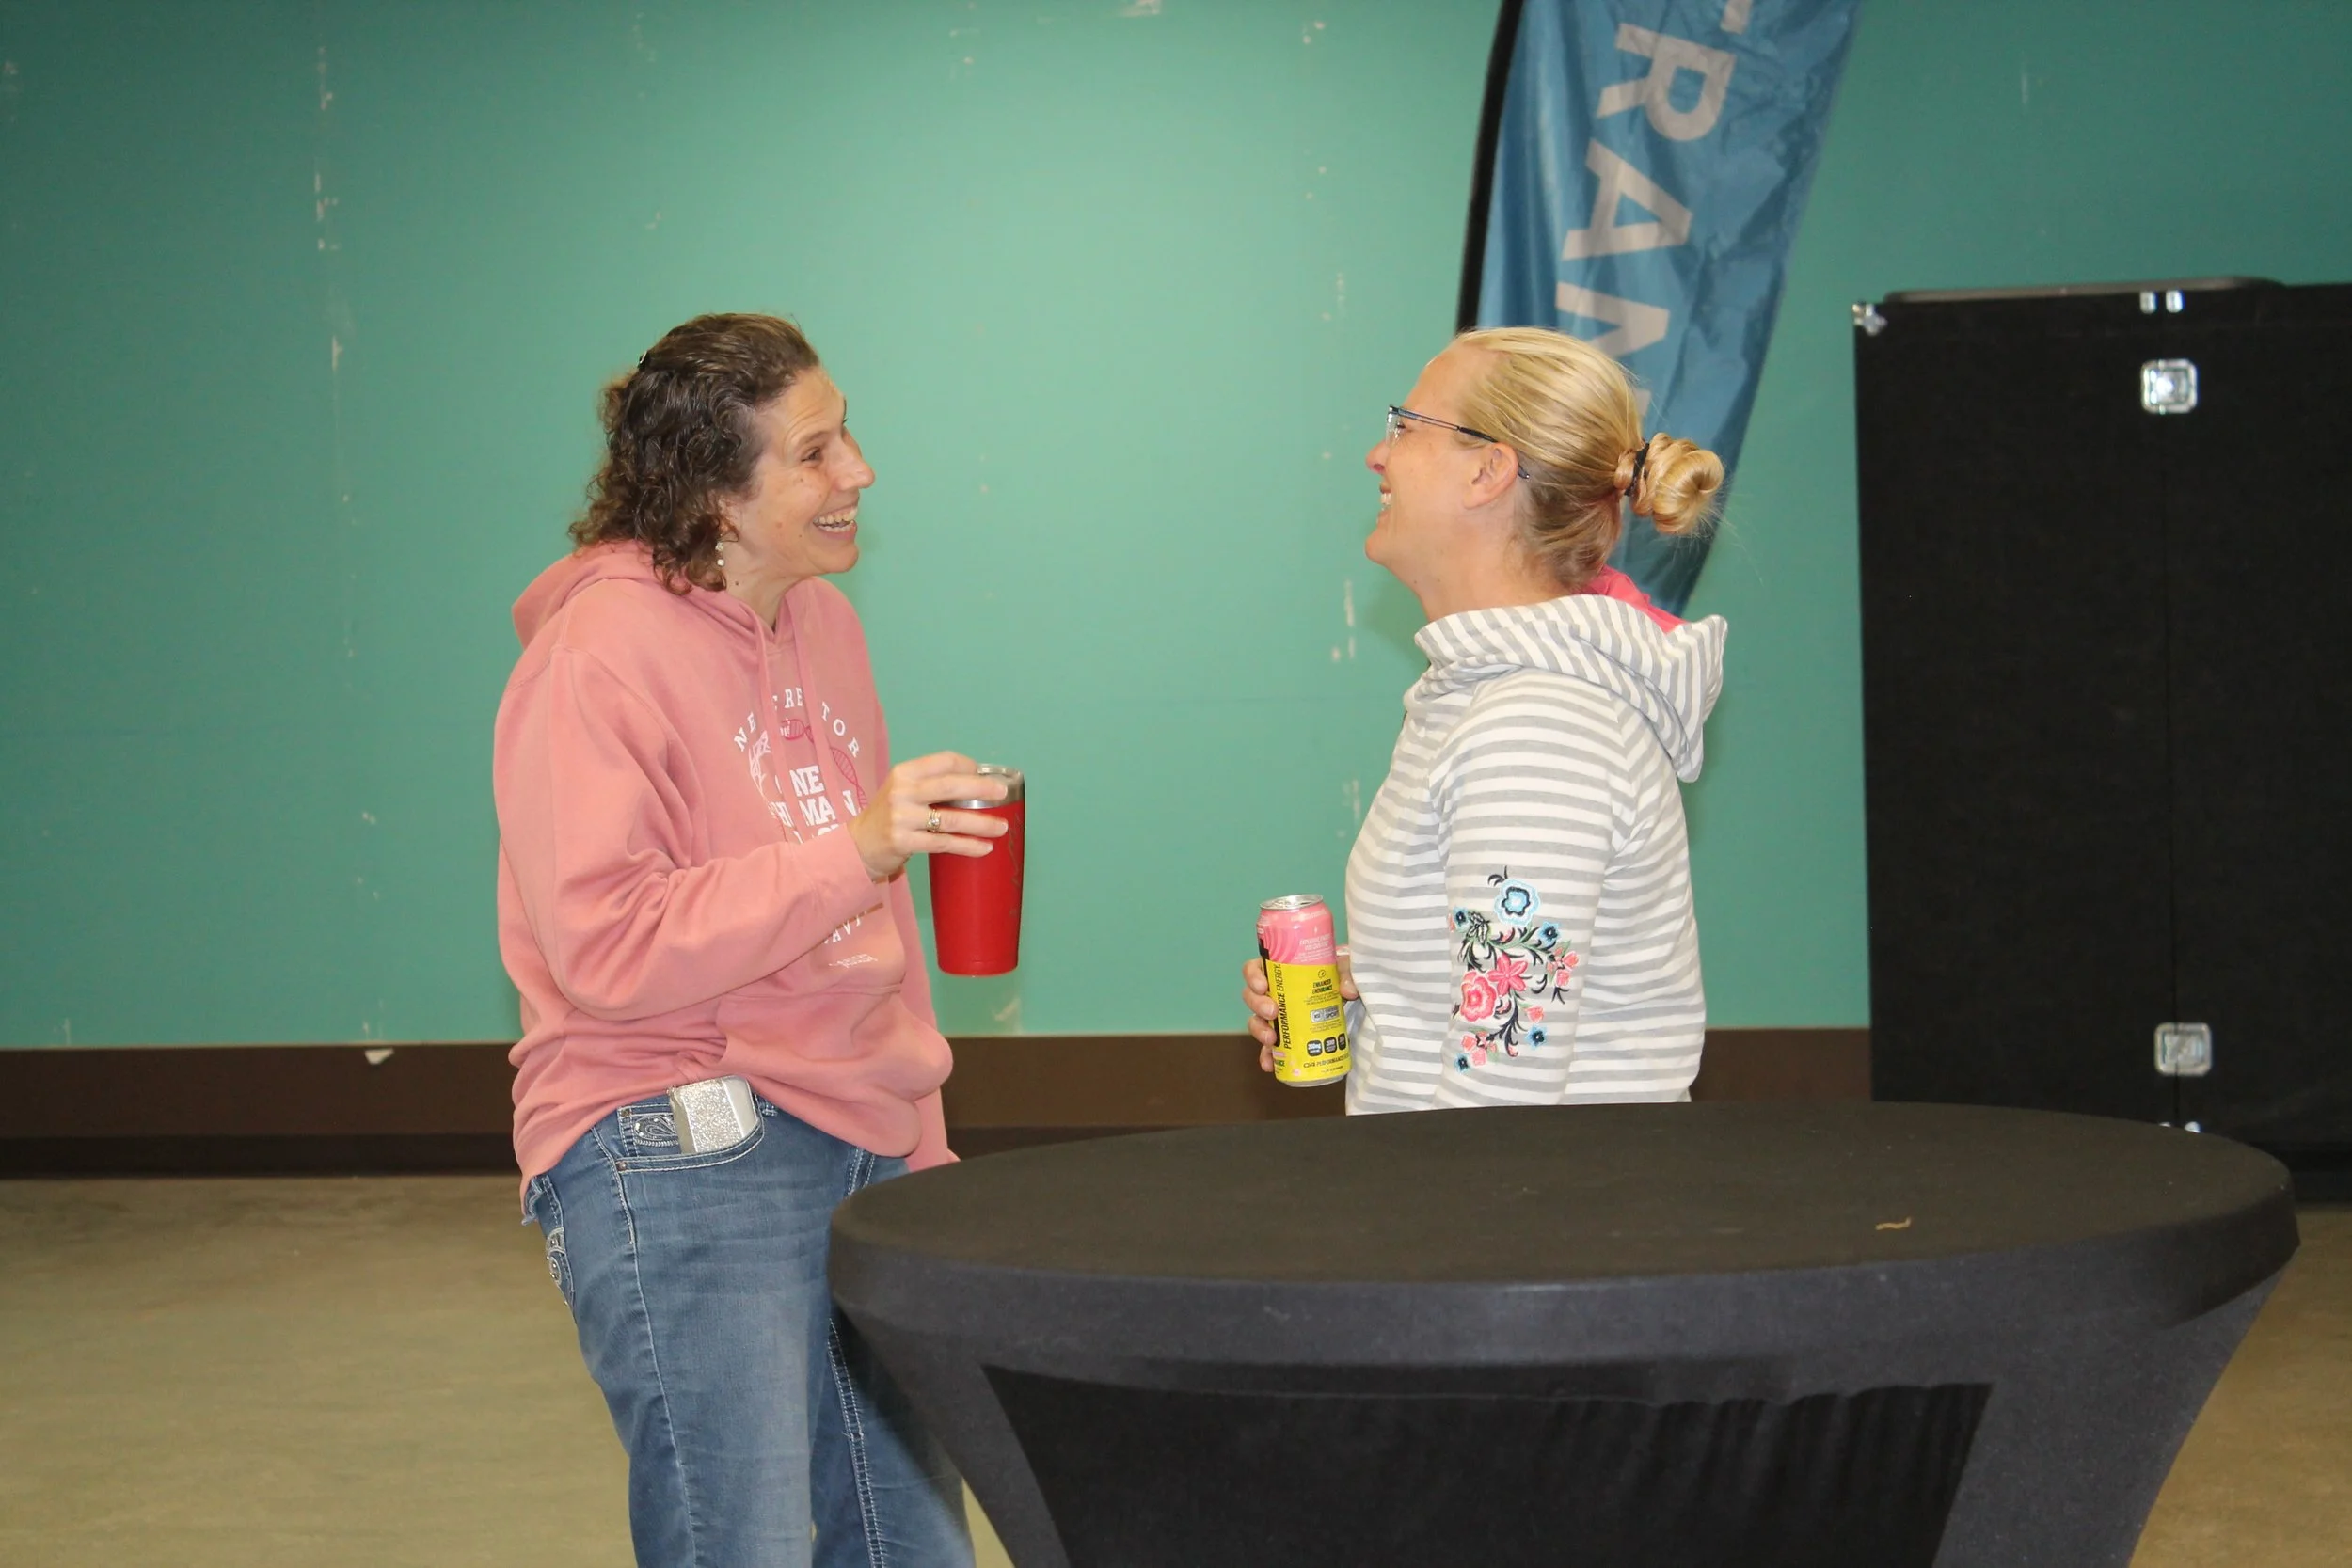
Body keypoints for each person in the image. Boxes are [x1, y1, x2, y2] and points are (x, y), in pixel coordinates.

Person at [495, 313, 997, 1567]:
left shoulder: (829, 628)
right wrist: (857, 848)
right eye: (816, 453)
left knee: (915, 1543)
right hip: (675, 1134)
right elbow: (603, 945)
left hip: (862, 1134)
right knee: (747, 1540)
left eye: (850, 435)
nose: (860, 471)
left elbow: (866, 917)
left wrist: (920, 1137)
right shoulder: (594, 657)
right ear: (714, 496)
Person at [1244, 326, 1727, 1109]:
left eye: (1405, 425)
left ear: (1488, 470)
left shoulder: (1537, 730)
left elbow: (1505, 1090)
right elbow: (1508, 1003)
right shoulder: (1487, 699)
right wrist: (1370, 988)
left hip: (1521, 1218)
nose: (1378, 454)